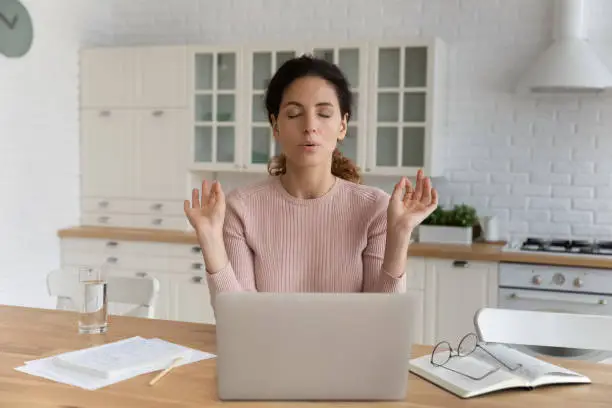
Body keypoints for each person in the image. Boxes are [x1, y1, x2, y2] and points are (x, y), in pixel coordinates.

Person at [184, 55, 438, 304]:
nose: (309, 126)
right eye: (294, 114)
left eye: (324, 114)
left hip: (348, 347)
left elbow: (382, 322)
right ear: (275, 125)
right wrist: (209, 238)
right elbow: (237, 320)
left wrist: (401, 233)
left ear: (342, 125)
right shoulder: (241, 208)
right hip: (269, 347)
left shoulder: (375, 209)